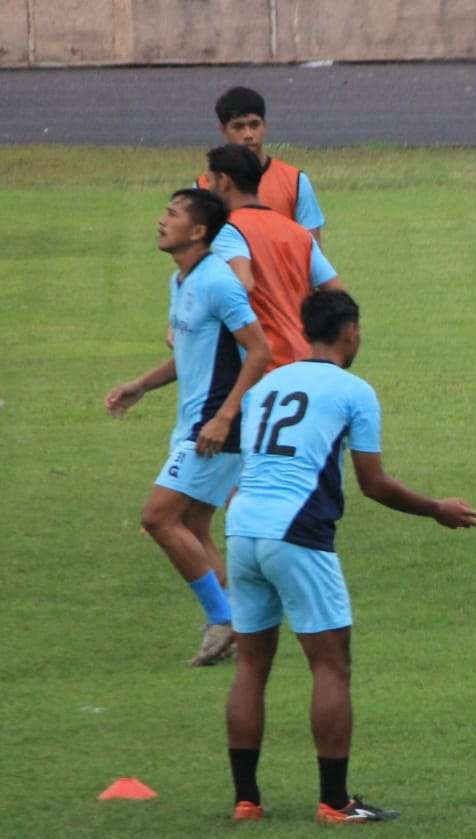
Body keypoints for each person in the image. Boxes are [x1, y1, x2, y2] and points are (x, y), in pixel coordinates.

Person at [223, 290, 476, 824]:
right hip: (295, 531)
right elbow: (374, 484)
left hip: (242, 526)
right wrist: (436, 509)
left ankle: (246, 802)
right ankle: (335, 802)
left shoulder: (266, 385)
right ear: (351, 333)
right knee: (331, 664)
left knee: (251, 663)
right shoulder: (354, 391)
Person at [104, 188, 272, 666]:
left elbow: (260, 351)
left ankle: (223, 620)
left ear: (198, 231)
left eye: (172, 215)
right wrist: (141, 385)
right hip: (196, 423)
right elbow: (190, 353)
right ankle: (242, 625)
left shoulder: (219, 282)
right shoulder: (181, 282)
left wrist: (224, 416)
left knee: (158, 517)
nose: (161, 221)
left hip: (219, 425)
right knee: (194, 526)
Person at [204, 143, 345, 370]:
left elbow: (243, 283)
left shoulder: (229, 231)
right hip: (306, 360)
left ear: (225, 181)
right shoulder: (298, 232)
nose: (207, 188)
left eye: (209, 180)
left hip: (265, 368)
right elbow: (338, 292)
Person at [196, 86, 326, 245]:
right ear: (223, 130)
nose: (248, 135)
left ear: (265, 125)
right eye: (238, 127)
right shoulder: (204, 187)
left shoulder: (295, 181)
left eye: (254, 125)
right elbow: (196, 249)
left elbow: (312, 248)